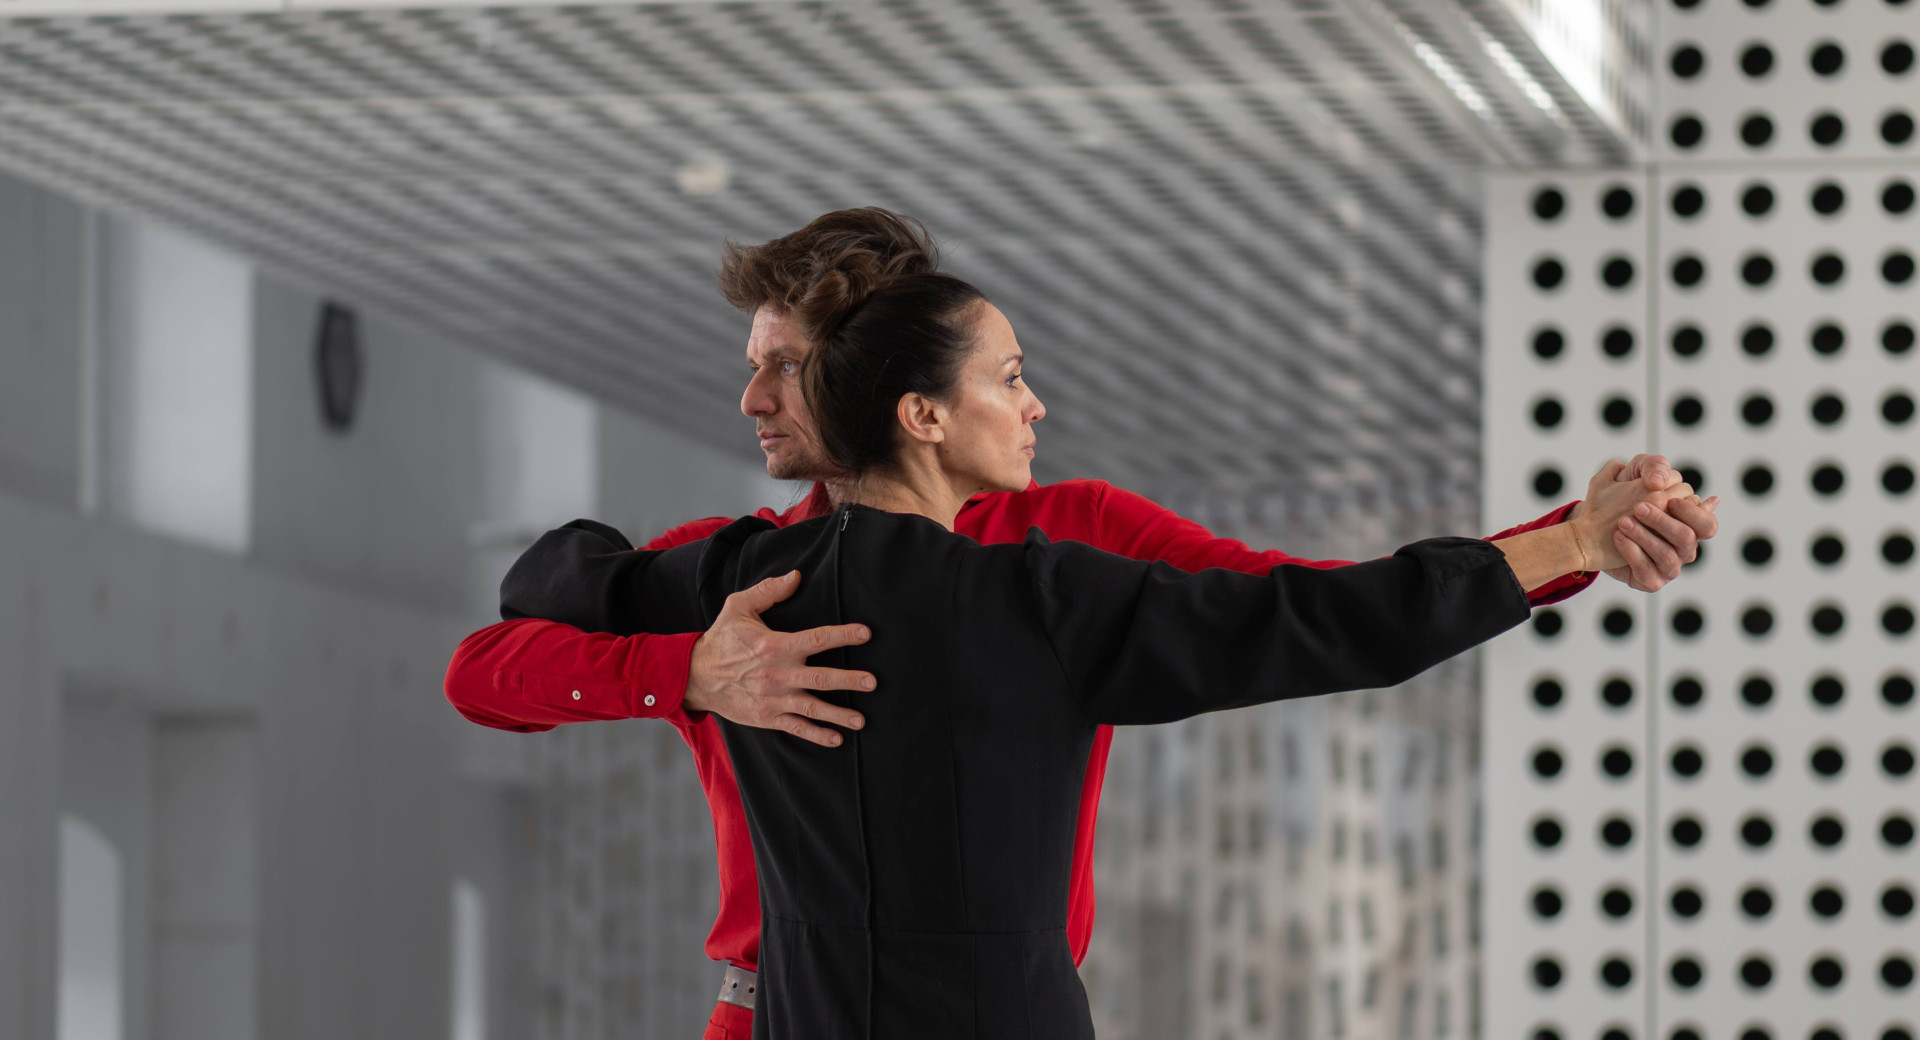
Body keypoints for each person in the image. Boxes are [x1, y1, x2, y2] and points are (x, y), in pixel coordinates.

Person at [443, 209, 1722, 1039]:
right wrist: (693, 672)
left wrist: (1568, 541)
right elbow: (487, 667)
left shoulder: (1069, 537)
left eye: (783, 362)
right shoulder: (737, 581)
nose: (756, 394)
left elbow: (1298, 598)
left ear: (882, 385)